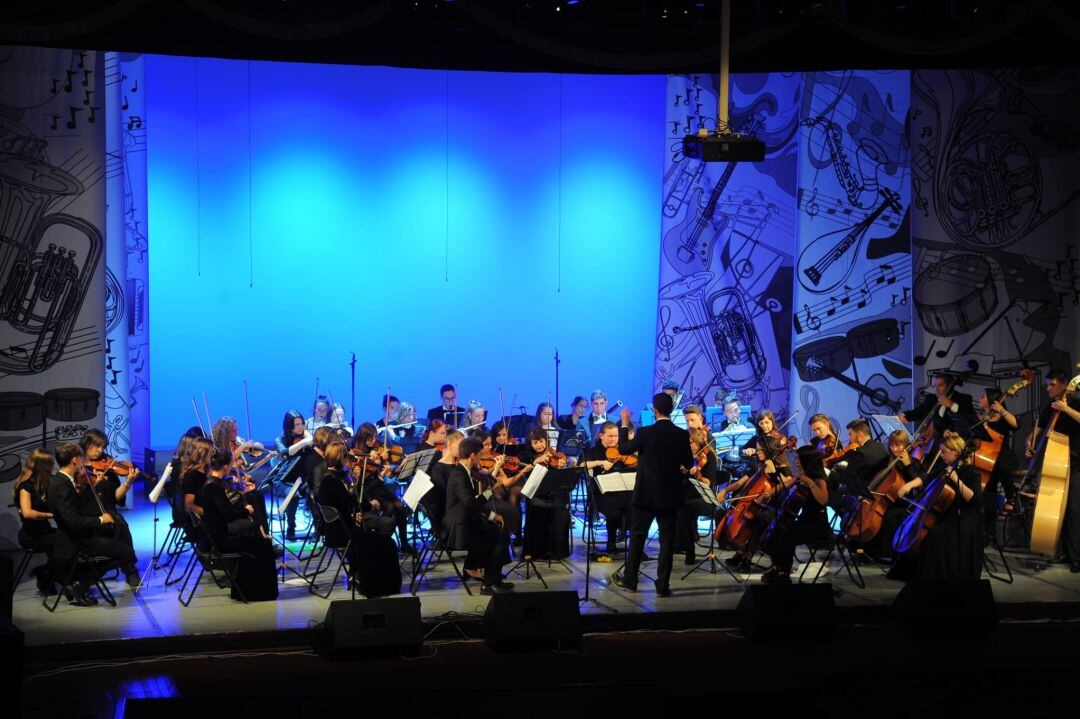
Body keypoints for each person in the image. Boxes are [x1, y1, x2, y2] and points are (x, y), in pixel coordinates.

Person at [609, 392, 693, 597]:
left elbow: (623, 448)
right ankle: (663, 587)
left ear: (654, 410)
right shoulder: (682, 434)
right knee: (667, 542)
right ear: (671, 410)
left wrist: (624, 425)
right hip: (670, 495)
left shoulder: (646, 432)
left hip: (645, 494)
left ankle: (630, 581)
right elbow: (688, 463)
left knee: (637, 538)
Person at [47, 443, 139, 603]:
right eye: (81, 459)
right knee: (126, 553)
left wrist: (94, 485)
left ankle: (80, 584)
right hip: (76, 540)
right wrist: (100, 520)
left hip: (77, 535)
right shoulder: (62, 485)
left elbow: (75, 509)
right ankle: (81, 584)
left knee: (118, 535)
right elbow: (73, 520)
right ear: (75, 460)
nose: (83, 463)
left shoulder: (60, 480)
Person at [894, 435, 983, 580]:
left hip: (963, 517)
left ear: (955, 452)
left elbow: (974, 500)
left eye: (944, 452)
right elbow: (926, 478)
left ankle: (936, 579)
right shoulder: (945, 468)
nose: (941, 455)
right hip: (946, 514)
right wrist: (908, 485)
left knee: (936, 534)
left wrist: (956, 479)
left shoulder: (971, 472)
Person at [318, 442, 400, 596]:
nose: (348, 461)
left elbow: (347, 502)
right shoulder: (332, 481)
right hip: (343, 533)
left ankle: (359, 570)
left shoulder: (330, 477)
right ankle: (368, 572)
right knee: (386, 539)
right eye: (346, 458)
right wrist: (369, 505)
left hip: (340, 527)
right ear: (340, 458)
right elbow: (352, 502)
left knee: (380, 534)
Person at [199, 448, 278, 600]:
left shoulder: (213, 483)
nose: (232, 468)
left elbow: (226, 510)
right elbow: (228, 515)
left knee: (259, 543)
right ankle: (259, 592)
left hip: (219, 534)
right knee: (263, 545)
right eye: (230, 465)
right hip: (221, 539)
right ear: (225, 467)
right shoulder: (213, 487)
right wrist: (246, 510)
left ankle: (252, 588)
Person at [443, 438, 514, 595]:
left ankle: (494, 579)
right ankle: (489, 583)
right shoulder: (459, 475)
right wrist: (492, 515)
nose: (481, 459)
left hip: (468, 518)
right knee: (497, 535)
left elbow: (473, 502)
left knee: (500, 533)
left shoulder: (464, 471)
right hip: (460, 525)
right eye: (480, 456)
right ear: (473, 455)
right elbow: (469, 503)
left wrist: (489, 493)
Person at [1025, 368, 1080, 570]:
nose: (1048, 388)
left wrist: (1066, 409)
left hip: (1075, 463)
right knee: (1053, 509)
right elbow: (1036, 432)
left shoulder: (1075, 404)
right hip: (1054, 463)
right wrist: (1030, 443)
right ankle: (1057, 551)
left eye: (1052, 385)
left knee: (1074, 510)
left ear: (1065, 385)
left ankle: (1076, 557)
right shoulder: (1049, 408)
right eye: (1047, 384)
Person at [716, 434, 791, 571]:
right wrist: (725, 490)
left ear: (769, 450)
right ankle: (741, 552)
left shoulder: (782, 466)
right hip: (757, 504)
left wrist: (775, 472)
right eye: (757, 449)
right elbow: (741, 482)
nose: (757, 452)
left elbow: (789, 483)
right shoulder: (759, 466)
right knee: (743, 513)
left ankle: (747, 556)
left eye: (760, 450)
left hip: (774, 506)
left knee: (759, 518)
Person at [760, 445, 833, 583]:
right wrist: (768, 494)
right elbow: (786, 485)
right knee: (781, 531)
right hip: (804, 520)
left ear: (807, 460)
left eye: (799, 459)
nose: (797, 462)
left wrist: (810, 482)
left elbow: (824, 500)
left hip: (817, 525)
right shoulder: (802, 476)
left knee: (788, 536)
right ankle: (778, 567)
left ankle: (784, 572)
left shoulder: (819, 480)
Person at [581, 421, 634, 555]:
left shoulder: (621, 450)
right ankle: (611, 541)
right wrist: (599, 462)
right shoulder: (593, 451)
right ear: (601, 436)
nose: (614, 439)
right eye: (610, 436)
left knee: (635, 507)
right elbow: (581, 464)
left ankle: (635, 546)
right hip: (602, 493)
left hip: (622, 491)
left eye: (616, 436)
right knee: (615, 512)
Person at [973, 387, 1020, 537]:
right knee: (989, 489)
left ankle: (1011, 497)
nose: (979, 398)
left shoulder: (1002, 417)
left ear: (992, 400)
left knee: (999, 464)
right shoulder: (981, 418)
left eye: (983, 396)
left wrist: (1001, 410)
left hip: (1004, 458)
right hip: (987, 460)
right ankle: (988, 532)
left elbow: (1016, 425)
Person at [517, 428, 571, 559]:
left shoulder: (552, 455)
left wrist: (562, 466)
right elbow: (521, 474)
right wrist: (534, 462)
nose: (539, 445)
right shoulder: (525, 456)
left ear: (546, 441)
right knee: (537, 507)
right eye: (535, 443)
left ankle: (557, 550)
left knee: (561, 506)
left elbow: (560, 479)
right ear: (530, 443)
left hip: (552, 493)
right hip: (535, 493)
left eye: (541, 441)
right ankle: (536, 550)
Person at [13, 448, 60, 596]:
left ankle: (47, 573)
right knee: (64, 542)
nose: (52, 466)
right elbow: (27, 513)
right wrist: (51, 515)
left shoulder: (45, 484)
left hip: (45, 531)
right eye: (49, 464)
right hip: (31, 535)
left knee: (70, 539)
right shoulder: (26, 487)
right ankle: (47, 573)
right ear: (40, 465)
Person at [676, 426, 719, 564]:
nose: (690, 446)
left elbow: (709, 482)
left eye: (691, 443)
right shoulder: (686, 457)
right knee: (675, 506)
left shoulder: (709, 456)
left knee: (683, 510)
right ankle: (679, 544)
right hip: (687, 496)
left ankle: (689, 549)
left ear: (699, 441)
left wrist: (698, 475)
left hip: (704, 498)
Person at [899, 372, 978, 443]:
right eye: (935, 386)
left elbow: (969, 419)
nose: (936, 389)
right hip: (935, 442)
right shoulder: (932, 398)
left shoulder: (963, 399)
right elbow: (919, 412)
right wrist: (904, 415)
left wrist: (951, 405)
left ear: (949, 386)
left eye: (940, 385)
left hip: (953, 443)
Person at [828, 419, 889, 505]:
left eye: (850, 434)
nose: (849, 438)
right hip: (879, 490)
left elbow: (849, 478)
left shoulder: (860, 452)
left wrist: (832, 474)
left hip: (862, 495)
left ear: (859, 434)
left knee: (830, 494)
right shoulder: (881, 447)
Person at [275, 410, 314, 541]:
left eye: (302, 423)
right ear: (289, 426)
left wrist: (307, 437)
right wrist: (303, 443)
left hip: (303, 480)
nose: (300, 427)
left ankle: (319, 528)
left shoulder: (307, 437)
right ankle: (291, 527)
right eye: (296, 424)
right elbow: (285, 452)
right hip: (284, 481)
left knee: (315, 492)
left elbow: (312, 441)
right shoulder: (280, 439)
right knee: (293, 495)